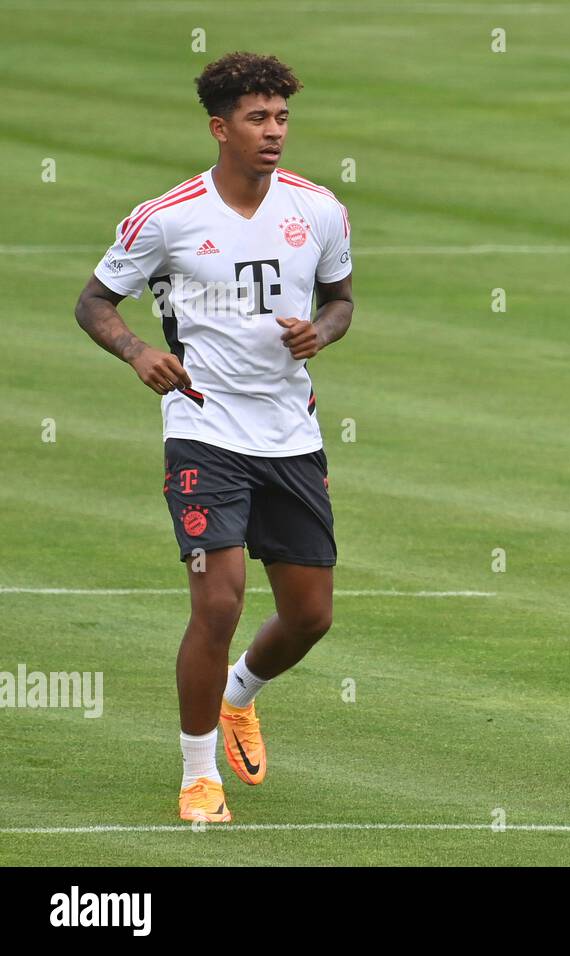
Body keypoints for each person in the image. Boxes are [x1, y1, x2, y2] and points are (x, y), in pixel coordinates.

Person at [73, 52, 354, 822]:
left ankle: (240, 696)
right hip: (203, 429)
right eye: (258, 118)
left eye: (282, 118)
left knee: (310, 615)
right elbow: (94, 301)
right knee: (220, 601)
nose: (274, 133)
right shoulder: (167, 218)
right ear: (219, 127)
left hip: (290, 431)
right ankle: (200, 777)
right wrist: (138, 351)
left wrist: (319, 334)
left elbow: (341, 300)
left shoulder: (319, 209)